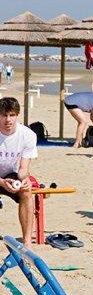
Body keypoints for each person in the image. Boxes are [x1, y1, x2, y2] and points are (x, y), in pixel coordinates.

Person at [0, 98, 37, 249]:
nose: (8, 119)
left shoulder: (28, 135)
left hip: (12, 174)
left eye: (12, 115)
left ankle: (27, 241)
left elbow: (23, 168)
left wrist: (25, 179)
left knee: (27, 193)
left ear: (17, 115)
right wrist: (1, 182)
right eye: (4, 115)